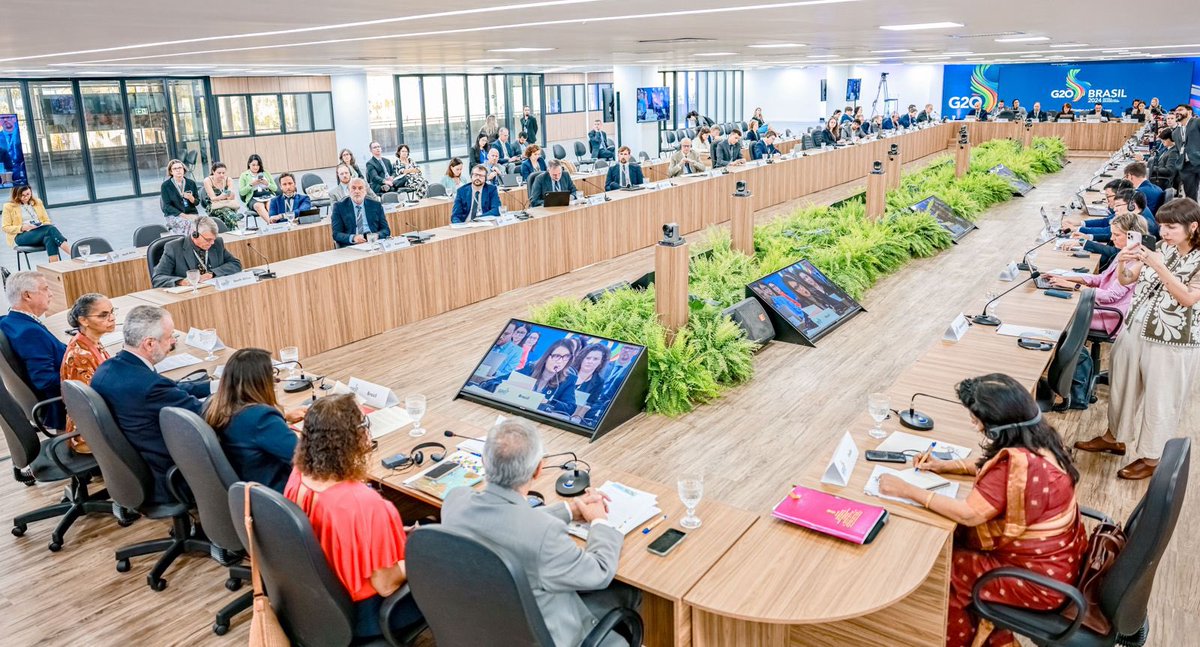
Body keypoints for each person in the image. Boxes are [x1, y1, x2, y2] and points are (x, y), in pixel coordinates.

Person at [877, 373, 1086, 647]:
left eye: (977, 421)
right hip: (1059, 563)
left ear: (997, 428)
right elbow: (993, 466)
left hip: (1037, 581)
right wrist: (944, 466)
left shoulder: (1018, 465)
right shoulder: (1043, 440)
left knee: (944, 573)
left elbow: (969, 514)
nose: (974, 425)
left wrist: (905, 489)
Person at [442, 417, 637, 646]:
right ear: (538, 470)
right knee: (630, 591)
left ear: (485, 462)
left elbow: (508, 522)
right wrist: (599, 522)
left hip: (483, 629)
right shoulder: (544, 536)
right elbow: (600, 572)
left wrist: (569, 509)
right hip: (546, 636)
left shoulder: (454, 502)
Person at [1076, 198, 1200, 480]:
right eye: (1162, 226)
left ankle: (1153, 457)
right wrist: (1123, 264)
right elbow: (1129, 280)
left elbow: (1188, 298)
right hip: (1135, 327)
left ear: (1192, 226)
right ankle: (1114, 436)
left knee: (1160, 398)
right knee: (1122, 386)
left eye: (1171, 227)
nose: (1164, 233)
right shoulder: (1165, 248)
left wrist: (1158, 266)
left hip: (1172, 340)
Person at [284, 395, 423, 640]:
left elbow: (338, 534)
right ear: (355, 438)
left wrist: (389, 532)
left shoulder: (298, 476)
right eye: (364, 426)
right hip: (365, 613)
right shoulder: (364, 504)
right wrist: (421, 554)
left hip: (315, 600)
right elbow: (386, 585)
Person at [90, 305, 212, 502]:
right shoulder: (149, 387)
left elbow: (172, 388)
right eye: (170, 336)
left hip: (136, 468)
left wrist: (216, 386)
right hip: (171, 477)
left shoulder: (108, 369)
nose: (173, 342)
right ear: (149, 344)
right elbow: (206, 415)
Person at [1051, 210, 1144, 407]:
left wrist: (1074, 287)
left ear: (1131, 235)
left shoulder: (1136, 261)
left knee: (1063, 319)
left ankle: (1076, 392)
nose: (1111, 238)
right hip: (1103, 308)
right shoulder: (1125, 253)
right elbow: (1102, 279)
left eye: (1116, 235)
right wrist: (1068, 277)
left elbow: (1110, 296)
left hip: (1111, 316)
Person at [205, 348, 305, 493]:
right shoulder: (261, 418)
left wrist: (283, 418)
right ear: (260, 381)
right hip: (280, 494)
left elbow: (249, 431)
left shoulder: (217, 408)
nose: (275, 380)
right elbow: (305, 457)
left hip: (250, 491)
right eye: (271, 374)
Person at [2, 271, 67, 429]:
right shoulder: (30, 332)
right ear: (27, 295)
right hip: (62, 408)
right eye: (45, 289)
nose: (50, 294)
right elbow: (45, 380)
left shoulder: (8, 322)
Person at [59, 292, 116, 452]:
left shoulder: (89, 341)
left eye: (112, 312)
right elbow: (93, 403)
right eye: (103, 315)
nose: (111, 318)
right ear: (83, 320)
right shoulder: (80, 355)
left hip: (97, 420)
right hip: (88, 432)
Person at [151, 216, 243, 288]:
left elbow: (235, 264)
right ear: (195, 234)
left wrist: (212, 273)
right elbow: (157, 278)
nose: (212, 243)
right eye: (208, 239)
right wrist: (181, 281)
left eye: (213, 239)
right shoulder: (173, 248)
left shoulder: (217, 243)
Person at [3, 185, 68, 261]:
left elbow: (47, 220)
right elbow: (5, 227)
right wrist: (23, 227)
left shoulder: (37, 202)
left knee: (50, 237)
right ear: (16, 195)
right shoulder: (8, 206)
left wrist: (41, 225)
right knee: (50, 229)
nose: (26, 197)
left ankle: (54, 268)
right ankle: (74, 255)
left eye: (28, 194)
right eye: (22, 195)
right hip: (21, 236)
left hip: (40, 231)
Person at [331, 178, 390, 247]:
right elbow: (336, 234)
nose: (357, 191)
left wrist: (377, 235)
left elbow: (386, 230)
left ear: (365, 191)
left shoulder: (376, 205)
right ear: (348, 191)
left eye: (360, 188)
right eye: (353, 188)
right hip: (352, 245)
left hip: (373, 243)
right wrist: (353, 238)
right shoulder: (339, 207)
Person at [160, 159, 200, 235]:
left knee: (203, 224)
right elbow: (167, 206)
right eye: (175, 169)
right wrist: (184, 215)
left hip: (191, 213)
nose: (178, 170)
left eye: (180, 168)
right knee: (188, 224)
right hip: (173, 215)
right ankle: (187, 243)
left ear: (183, 169)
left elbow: (197, 202)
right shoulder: (165, 186)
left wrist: (191, 198)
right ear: (171, 172)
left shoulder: (191, 183)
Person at [238, 155, 276, 225]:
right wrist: (251, 184)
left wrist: (267, 184)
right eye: (253, 165)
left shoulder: (265, 173)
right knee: (259, 206)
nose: (256, 167)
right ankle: (272, 224)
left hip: (267, 194)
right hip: (253, 198)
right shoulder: (244, 175)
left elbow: (275, 188)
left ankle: (274, 222)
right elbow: (242, 192)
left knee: (270, 204)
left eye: (258, 165)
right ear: (249, 164)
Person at [203, 162, 241, 231]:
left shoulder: (228, 180)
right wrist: (222, 196)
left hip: (227, 204)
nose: (221, 175)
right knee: (228, 213)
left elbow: (230, 198)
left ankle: (231, 231)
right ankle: (234, 228)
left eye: (223, 173)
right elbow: (213, 199)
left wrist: (231, 194)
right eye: (219, 173)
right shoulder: (208, 180)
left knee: (227, 212)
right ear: (213, 171)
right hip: (214, 206)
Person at [1173, 104, 1200, 200]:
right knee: (1190, 197)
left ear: (1189, 112)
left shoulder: (1197, 122)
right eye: (1176, 111)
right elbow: (1177, 149)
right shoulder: (1175, 132)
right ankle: (1195, 214)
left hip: (1198, 161)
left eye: (1180, 110)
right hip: (1185, 166)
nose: (1177, 112)